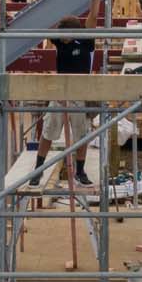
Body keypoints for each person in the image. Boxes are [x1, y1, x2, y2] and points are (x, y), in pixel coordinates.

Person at [35, 16, 96, 186]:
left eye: (64, 34)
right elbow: (48, 25)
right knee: (48, 132)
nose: (61, 37)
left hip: (79, 95)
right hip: (60, 94)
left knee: (81, 135)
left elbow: (93, 18)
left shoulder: (85, 42)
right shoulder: (61, 41)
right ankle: (38, 170)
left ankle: (80, 171)